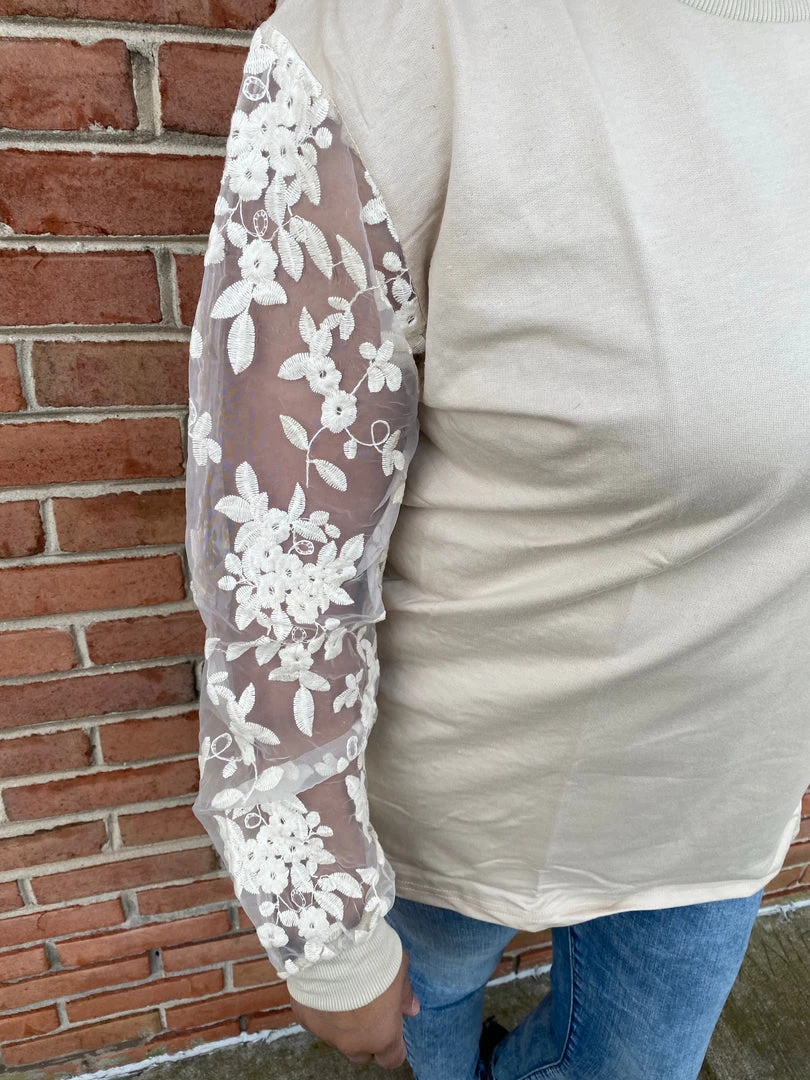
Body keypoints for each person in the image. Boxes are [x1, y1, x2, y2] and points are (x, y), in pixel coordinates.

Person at [184, 1, 810, 1076]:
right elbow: (280, 543)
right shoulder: (407, 39)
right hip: (452, 816)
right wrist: (322, 921)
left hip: (727, 789)